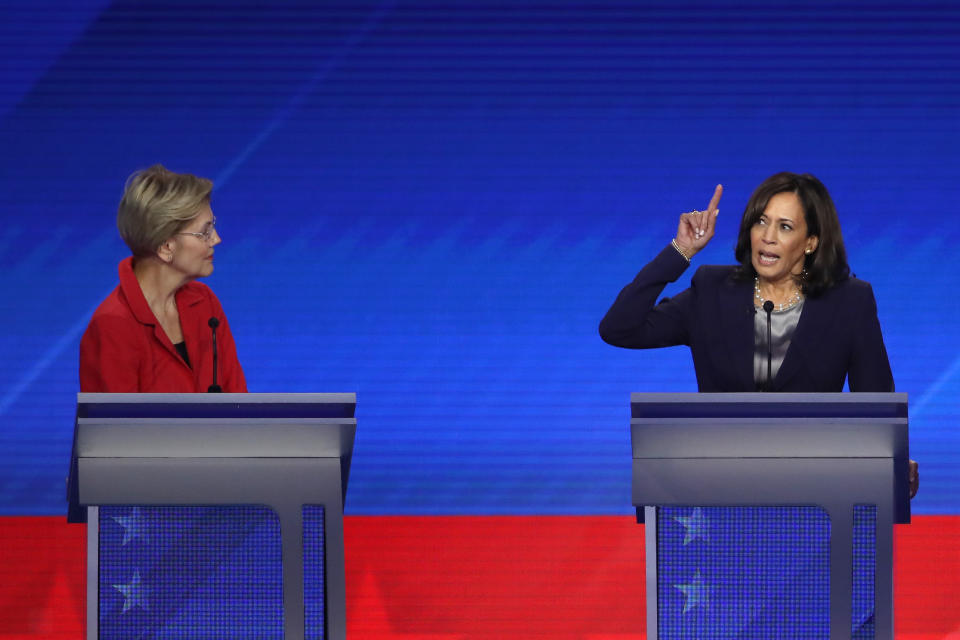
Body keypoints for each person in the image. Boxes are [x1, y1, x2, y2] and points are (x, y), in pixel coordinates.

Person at [599, 171, 917, 494]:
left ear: (811, 242)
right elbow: (619, 328)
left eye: (785, 227)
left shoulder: (849, 302)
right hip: (720, 495)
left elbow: (878, 405)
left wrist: (896, 462)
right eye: (761, 222)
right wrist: (681, 250)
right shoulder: (712, 292)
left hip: (815, 497)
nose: (767, 237)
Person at [79, 164, 246, 393]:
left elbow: (238, 404)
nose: (216, 239)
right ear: (166, 246)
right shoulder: (112, 325)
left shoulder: (206, 304)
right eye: (205, 231)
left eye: (213, 227)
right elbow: (114, 428)